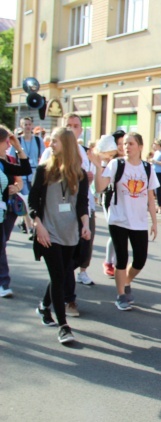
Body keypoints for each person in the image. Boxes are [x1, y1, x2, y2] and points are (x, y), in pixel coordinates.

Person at [29, 127, 90, 344]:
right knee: (58, 277)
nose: (50, 145)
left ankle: (44, 306)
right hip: (49, 232)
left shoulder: (80, 175)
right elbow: (32, 201)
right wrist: (39, 226)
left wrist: (85, 225)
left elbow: (82, 203)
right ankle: (64, 326)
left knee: (62, 274)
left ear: (66, 144)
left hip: (70, 233)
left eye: (54, 141)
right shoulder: (44, 170)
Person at [91, 132, 159, 311]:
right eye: (125, 144)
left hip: (139, 221)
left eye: (131, 144)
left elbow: (150, 197)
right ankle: (121, 295)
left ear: (140, 147)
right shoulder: (116, 164)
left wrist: (154, 222)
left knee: (140, 259)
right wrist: (98, 167)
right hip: (118, 219)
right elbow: (99, 187)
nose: (127, 147)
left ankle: (126, 280)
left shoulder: (147, 168)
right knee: (121, 259)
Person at [0, 125, 32, 298]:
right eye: (6, 142)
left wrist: (19, 148)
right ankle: (3, 282)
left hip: (5, 209)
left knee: (2, 243)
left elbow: (25, 170)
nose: (8, 145)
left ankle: (2, 282)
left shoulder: (5, 162)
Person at [10, 117, 44, 235]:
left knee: (34, 199)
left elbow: (44, 157)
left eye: (29, 124)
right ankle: (29, 226)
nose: (28, 127)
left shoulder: (38, 141)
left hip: (35, 173)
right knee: (25, 199)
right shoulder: (17, 140)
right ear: (21, 126)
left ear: (32, 126)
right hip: (22, 173)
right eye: (25, 124)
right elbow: (11, 159)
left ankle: (32, 222)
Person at [102, 130, 126, 277]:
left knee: (123, 234)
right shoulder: (110, 161)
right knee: (115, 233)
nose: (123, 147)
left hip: (126, 201)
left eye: (125, 143)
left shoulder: (131, 159)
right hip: (111, 199)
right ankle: (108, 262)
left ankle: (119, 264)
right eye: (120, 144)